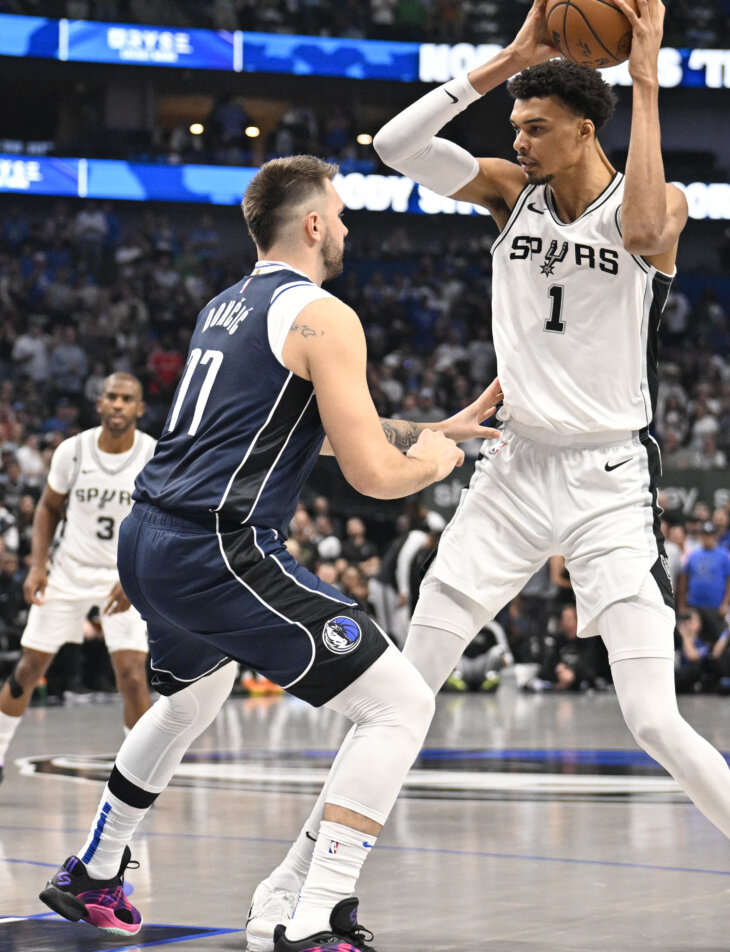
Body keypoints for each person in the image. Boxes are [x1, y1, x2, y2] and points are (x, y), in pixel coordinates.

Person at [329, 4, 730, 950]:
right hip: (512, 469)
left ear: (585, 128)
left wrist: (646, 80)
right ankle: (311, 890)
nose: (515, 139)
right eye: (514, 128)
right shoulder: (505, 192)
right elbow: (398, 145)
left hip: (608, 482)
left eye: (533, 126)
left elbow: (643, 230)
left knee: (652, 717)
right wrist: (512, 62)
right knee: (404, 681)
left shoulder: (660, 202)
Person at [35, 157, 489, 952]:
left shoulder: (226, 305)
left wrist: (436, 431)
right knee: (401, 704)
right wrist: (446, 463)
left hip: (150, 537)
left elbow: (320, 430)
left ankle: (96, 870)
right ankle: (317, 917)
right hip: (219, 546)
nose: (346, 228)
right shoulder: (324, 315)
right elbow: (373, 474)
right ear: (313, 223)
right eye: (341, 215)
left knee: (188, 703)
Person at [0, 372, 158, 805]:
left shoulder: (152, 455)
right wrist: (37, 566)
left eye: (127, 399)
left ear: (140, 408)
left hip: (120, 576)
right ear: (99, 404)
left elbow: (160, 522)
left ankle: (136, 777)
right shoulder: (74, 450)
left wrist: (134, 576)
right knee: (29, 666)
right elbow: (48, 508)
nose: (118, 405)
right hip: (68, 571)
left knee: (133, 678)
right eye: (111, 397)